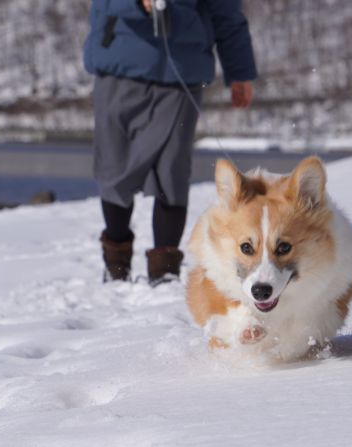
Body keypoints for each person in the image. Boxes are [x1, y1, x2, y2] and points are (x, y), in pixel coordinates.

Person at [84, 0, 257, 284]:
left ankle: (165, 272)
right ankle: (116, 264)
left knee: (172, 171)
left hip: (181, 73)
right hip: (119, 67)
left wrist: (240, 72)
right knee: (113, 169)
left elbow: (226, 12)